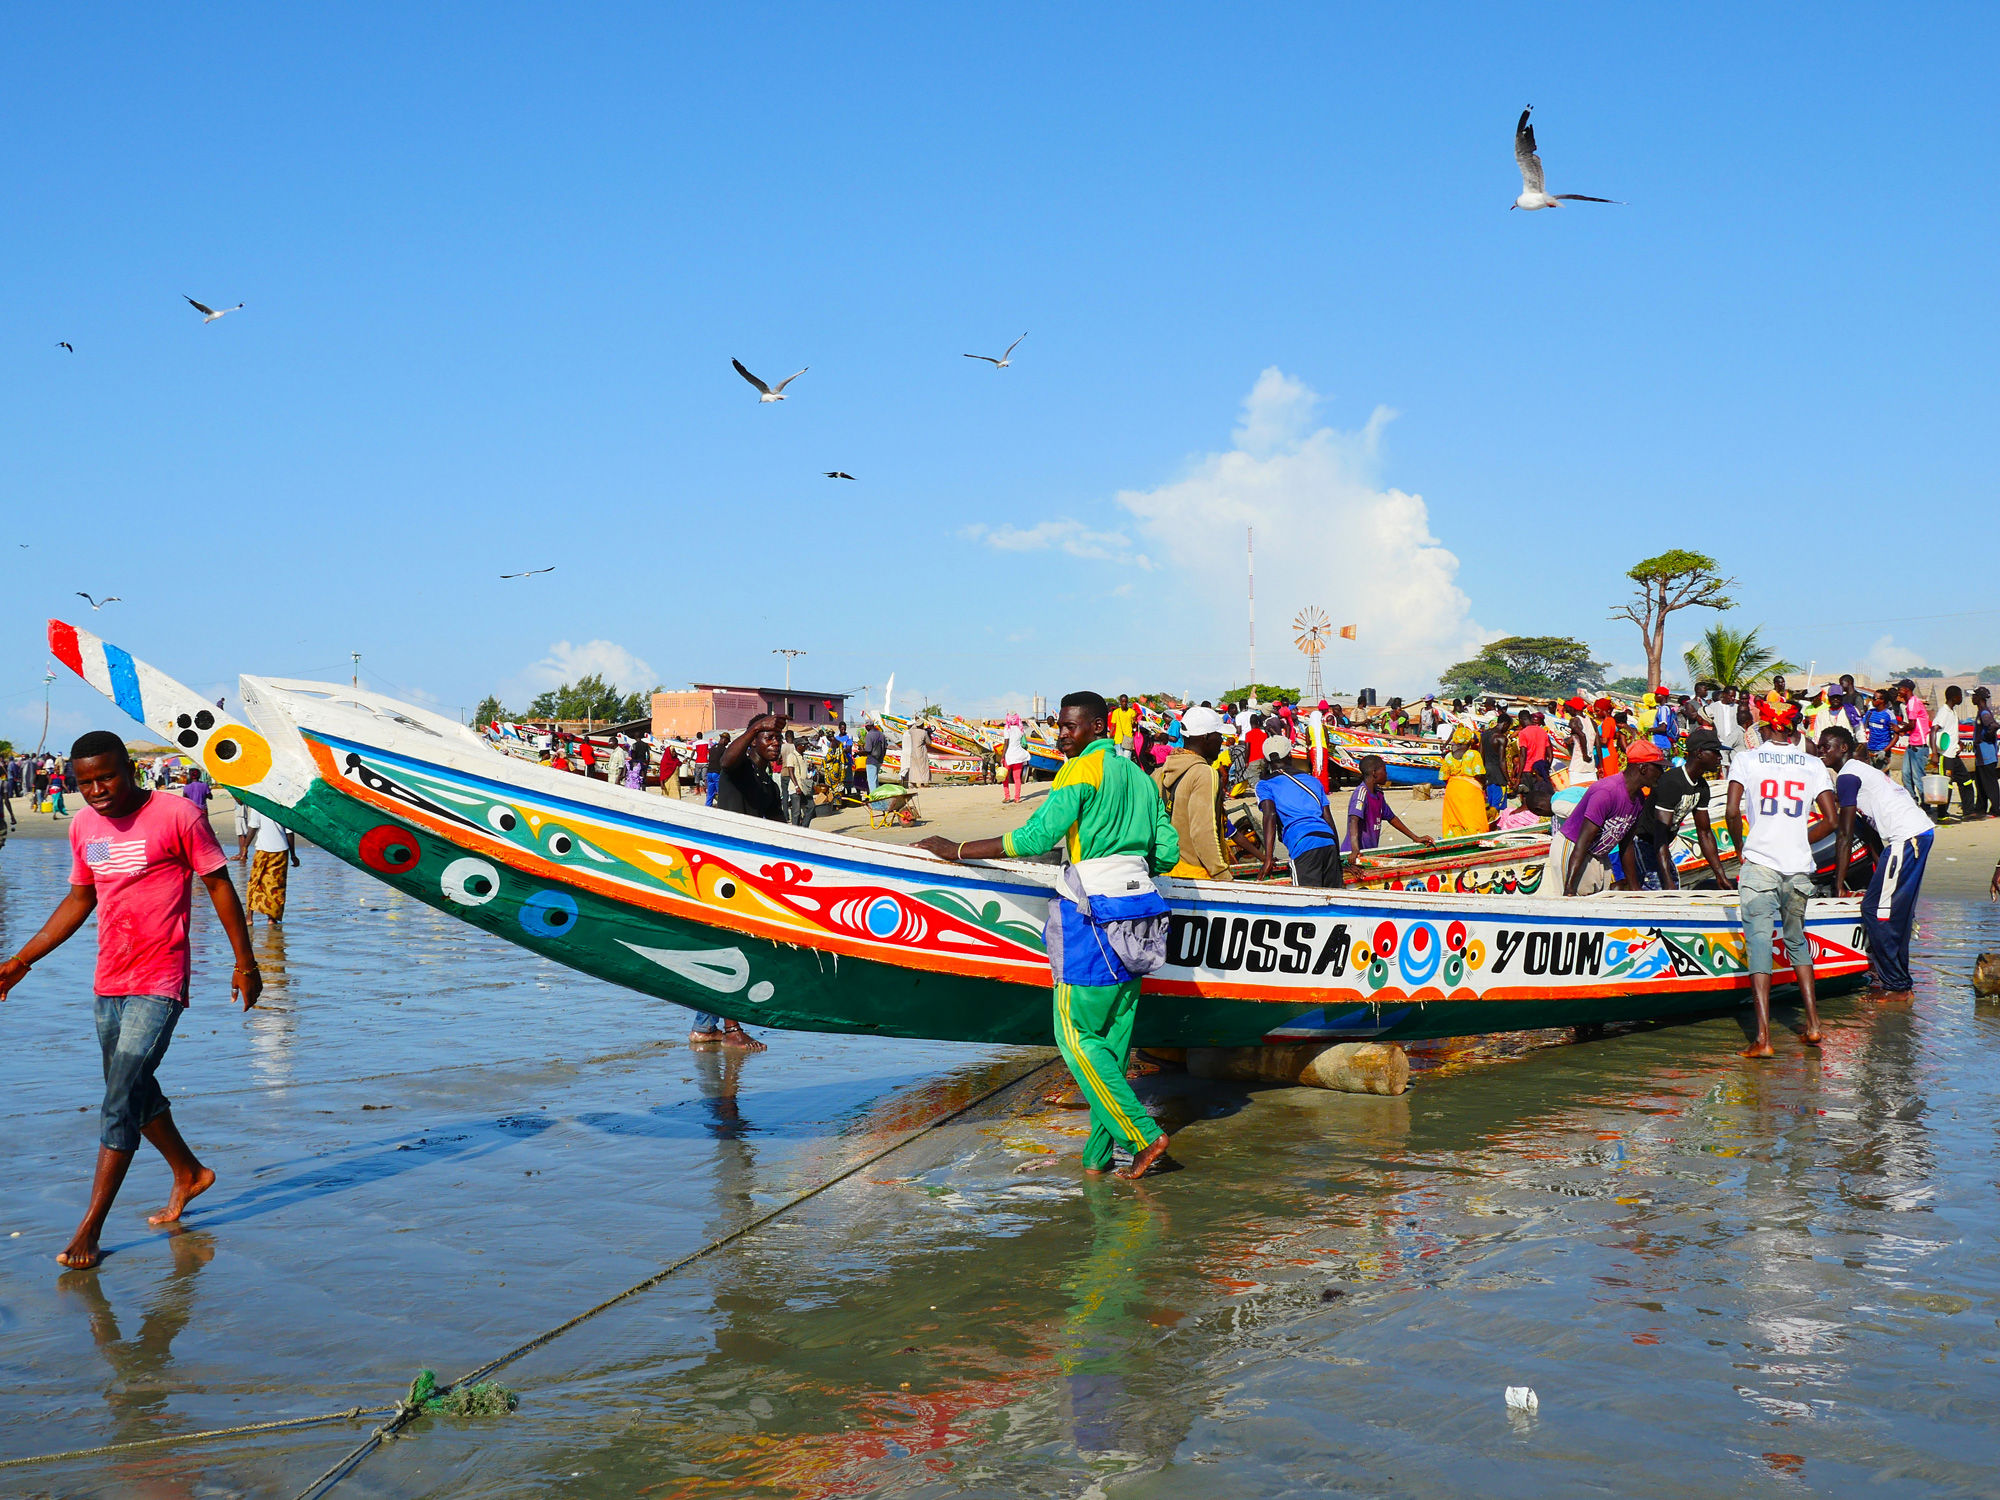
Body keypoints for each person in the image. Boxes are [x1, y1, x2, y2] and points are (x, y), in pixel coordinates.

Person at [0, 731, 260, 1269]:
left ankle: (90, 1228)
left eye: (106, 777)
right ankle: (190, 1173)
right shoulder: (84, 826)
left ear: (130, 770)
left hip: (161, 977)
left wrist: (245, 962)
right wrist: (22, 961)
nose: (96, 790)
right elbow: (80, 900)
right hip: (109, 978)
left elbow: (218, 886)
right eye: (85, 781)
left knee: (120, 1097)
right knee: (131, 1088)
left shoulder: (177, 816)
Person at [917, 692, 1179, 1181]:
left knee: (1076, 1036)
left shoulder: (1080, 771)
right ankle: (1099, 1159)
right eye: (1060, 727)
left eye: (1069, 727)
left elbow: (1035, 838)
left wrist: (955, 849)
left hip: (1091, 916)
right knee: (1112, 1044)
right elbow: (1166, 850)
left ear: (1098, 727)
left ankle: (1142, 1136)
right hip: (1142, 911)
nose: (1061, 736)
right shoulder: (1143, 780)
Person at [1725, 704, 1837, 1059]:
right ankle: (1814, 1025)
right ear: (1793, 729)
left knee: (1760, 943)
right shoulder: (1814, 763)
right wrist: (1801, 841)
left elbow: (1731, 812)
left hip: (1760, 863)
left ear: (1763, 726)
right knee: (1797, 942)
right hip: (1798, 866)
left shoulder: (1747, 759)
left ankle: (1762, 1038)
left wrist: (1742, 846)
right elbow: (1831, 820)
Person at [1818, 725, 1933, 1000]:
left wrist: (1838, 886)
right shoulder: (1860, 770)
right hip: (1917, 834)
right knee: (1898, 913)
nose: (1821, 750)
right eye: (1819, 745)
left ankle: (1896, 987)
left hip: (1906, 838)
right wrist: (1881, 863)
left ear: (1843, 748)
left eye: (1827, 746)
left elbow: (1845, 834)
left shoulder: (1847, 776)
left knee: (1876, 911)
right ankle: (1899, 983)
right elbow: (1867, 827)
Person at [692, 714, 785, 1050]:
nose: (775, 744)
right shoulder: (739, 768)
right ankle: (732, 1031)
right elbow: (730, 758)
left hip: (752, 872)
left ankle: (704, 1027)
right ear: (754, 739)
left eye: (777, 738)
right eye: (768, 738)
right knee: (735, 947)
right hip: (725, 871)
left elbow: (782, 831)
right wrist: (755, 728)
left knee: (726, 946)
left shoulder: (769, 785)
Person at [1554, 740, 1666, 895]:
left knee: (1600, 900)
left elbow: (1626, 843)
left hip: (1598, 853)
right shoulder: (1607, 792)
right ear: (1643, 768)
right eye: (1659, 767)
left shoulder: (1639, 798)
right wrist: (1569, 889)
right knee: (1579, 902)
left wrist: (1635, 889)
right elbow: (1583, 841)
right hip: (1574, 847)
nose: (1662, 773)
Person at [1635, 731, 1731, 889]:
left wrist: (1720, 875)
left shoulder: (1701, 787)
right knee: (1659, 889)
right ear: (1699, 753)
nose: (1719, 757)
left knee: (1673, 887)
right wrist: (1667, 881)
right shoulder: (1672, 782)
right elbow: (1659, 834)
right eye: (1715, 752)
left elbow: (1704, 832)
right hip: (1644, 841)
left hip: (1662, 844)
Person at [1250, 736, 1346, 887]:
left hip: (1303, 844)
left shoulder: (1264, 785)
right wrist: (1337, 858)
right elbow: (1328, 819)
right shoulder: (1313, 780)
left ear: (1267, 760)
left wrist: (1268, 857)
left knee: (1306, 902)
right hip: (1328, 841)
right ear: (1290, 755)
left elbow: (1270, 816)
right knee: (1333, 900)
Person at [1155, 706, 1231, 879]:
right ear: (1205, 737)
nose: (1221, 741)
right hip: (1197, 876)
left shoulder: (1160, 772)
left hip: (1166, 872)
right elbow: (1203, 832)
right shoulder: (1204, 773)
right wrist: (1222, 875)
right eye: (1218, 735)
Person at [1341, 753, 1434, 857]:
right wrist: (1354, 849)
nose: (1386, 774)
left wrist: (1415, 837)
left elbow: (1392, 818)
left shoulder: (1379, 794)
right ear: (1374, 773)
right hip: (1353, 853)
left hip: (1368, 852)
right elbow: (1354, 820)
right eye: (1384, 770)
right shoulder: (1361, 792)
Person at [241, 805, 299, 924]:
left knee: (255, 882)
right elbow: (289, 833)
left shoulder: (258, 804)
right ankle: (271, 918)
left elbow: (253, 827)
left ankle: (249, 917)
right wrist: (293, 854)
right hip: (281, 851)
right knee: (276, 886)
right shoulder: (283, 806)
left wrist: (245, 847)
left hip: (263, 849)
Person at [1439, 725, 1489, 838]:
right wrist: (1484, 785)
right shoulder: (1473, 754)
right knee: (1471, 818)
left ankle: (1454, 840)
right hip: (1470, 791)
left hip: (1452, 790)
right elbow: (1479, 774)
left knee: (1454, 818)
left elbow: (1443, 777)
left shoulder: (1448, 757)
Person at [1940, 684, 1980, 818]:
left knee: (1966, 781)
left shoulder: (1953, 712)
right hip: (1946, 756)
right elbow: (1935, 730)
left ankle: (1968, 812)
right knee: (1947, 786)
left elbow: (1950, 731)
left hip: (1954, 754)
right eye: (1961, 696)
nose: (1962, 698)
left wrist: (1959, 742)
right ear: (1955, 697)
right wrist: (1935, 753)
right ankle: (1942, 815)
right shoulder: (1944, 712)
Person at [1897, 679, 1933, 808]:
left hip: (1919, 745)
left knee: (1918, 777)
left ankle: (1926, 804)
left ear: (1907, 689)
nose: (1898, 691)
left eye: (1900, 688)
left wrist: (1899, 730)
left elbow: (1912, 724)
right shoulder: (1910, 703)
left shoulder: (1913, 703)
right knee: (1906, 774)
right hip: (1913, 744)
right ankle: (1912, 801)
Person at [1973, 687, 2000, 820]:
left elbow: (1994, 726)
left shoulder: (1984, 712)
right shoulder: (1981, 712)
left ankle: (1996, 809)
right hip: (1981, 756)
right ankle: (1980, 808)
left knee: (1990, 783)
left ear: (1980, 698)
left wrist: (1984, 738)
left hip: (1986, 755)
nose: (1972, 698)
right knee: (1980, 783)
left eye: (1974, 696)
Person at [1479, 711, 1511, 810]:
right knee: (1498, 808)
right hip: (1498, 776)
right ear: (1505, 724)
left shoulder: (1484, 734)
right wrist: (1508, 780)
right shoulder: (1501, 738)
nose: (1507, 730)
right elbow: (1502, 761)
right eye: (1508, 727)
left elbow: (1480, 755)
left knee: (1489, 806)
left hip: (1487, 773)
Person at [1862, 689, 1898, 769]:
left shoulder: (1889, 715)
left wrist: (1884, 751)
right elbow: (1862, 727)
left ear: (1882, 700)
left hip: (1882, 751)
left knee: (1883, 777)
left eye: (1874, 698)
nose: (1872, 700)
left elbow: (1896, 736)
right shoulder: (1870, 712)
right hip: (1870, 749)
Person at [1001, 712, 1029, 804]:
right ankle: (1017, 798)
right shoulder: (1021, 729)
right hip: (1018, 755)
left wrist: (1002, 756)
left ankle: (1007, 796)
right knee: (1017, 778)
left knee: (1005, 777)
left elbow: (1006, 744)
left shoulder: (1007, 729)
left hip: (1009, 756)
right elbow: (1024, 743)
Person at [1516, 711, 1552, 780]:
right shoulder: (1543, 731)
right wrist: (1545, 768)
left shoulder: (1523, 733)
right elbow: (1550, 755)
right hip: (1540, 770)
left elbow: (1523, 755)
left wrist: (1518, 776)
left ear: (1520, 720)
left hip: (1527, 770)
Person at [902, 717, 931, 787]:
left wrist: (916, 722)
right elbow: (929, 742)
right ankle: (923, 783)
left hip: (913, 752)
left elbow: (911, 728)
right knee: (923, 768)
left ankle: (912, 783)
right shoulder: (924, 732)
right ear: (922, 725)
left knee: (914, 768)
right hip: (921, 752)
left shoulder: (911, 732)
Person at [863, 719, 888, 795]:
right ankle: (878, 796)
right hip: (879, 760)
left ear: (869, 726)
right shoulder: (881, 734)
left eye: (866, 727)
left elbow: (868, 750)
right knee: (875, 780)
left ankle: (874, 798)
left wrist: (860, 752)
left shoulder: (869, 735)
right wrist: (882, 757)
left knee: (871, 781)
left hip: (871, 760)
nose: (866, 728)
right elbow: (885, 747)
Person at [1108, 695, 1137, 760]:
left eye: (1125, 701)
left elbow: (1134, 726)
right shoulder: (1115, 712)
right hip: (1118, 739)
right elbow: (1113, 726)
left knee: (1127, 759)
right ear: (1120, 702)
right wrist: (1110, 737)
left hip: (1128, 738)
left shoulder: (1132, 712)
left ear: (1127, 702)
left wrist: (1134, 721)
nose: (1124, 703)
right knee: (1119, 759)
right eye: (1123, 701)